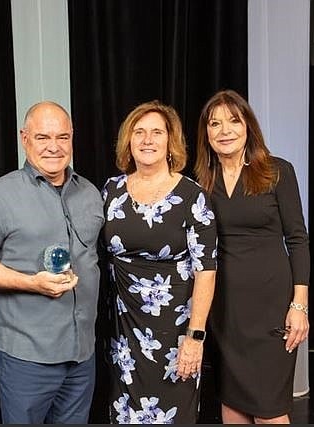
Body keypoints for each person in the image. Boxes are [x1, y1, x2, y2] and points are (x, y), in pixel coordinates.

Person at [0, 101, 104, 424]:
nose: (54, 147)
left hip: (82, 356)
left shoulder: (90, 193)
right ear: (25, 138)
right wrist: (31, 282)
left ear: (73, 138)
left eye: (63, 137)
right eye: (43, 137)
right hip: (27, 359)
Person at [194, 89, 310, 424]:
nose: (224, 130)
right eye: (214, 124)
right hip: (225, 310)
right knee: (233, 406)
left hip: (271, 308)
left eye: (233, 120)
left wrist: (299, 304)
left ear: (248, 127)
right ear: (206, 134)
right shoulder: (202, 181)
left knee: (270, 412)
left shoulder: (277, 171)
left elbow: (298, 240)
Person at [102, 100, 217, 424]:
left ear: (170, 141)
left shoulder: (192, 196)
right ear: (128, 140)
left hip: (175, 333)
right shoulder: (110, 191)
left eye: (156, 132)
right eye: (139, 132)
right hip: (122, 334)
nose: (147, 140)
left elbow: (206, 271)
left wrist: (195, 338)